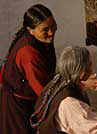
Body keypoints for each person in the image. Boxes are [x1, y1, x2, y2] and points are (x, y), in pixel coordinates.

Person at [0, 4, 57, 134]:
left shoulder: (40, 39)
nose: (51, 32)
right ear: (30, 30)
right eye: (45, 29)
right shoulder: (28, 54)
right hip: (18, 108)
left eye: (53, 25)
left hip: (28, 100)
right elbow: (43, 92)